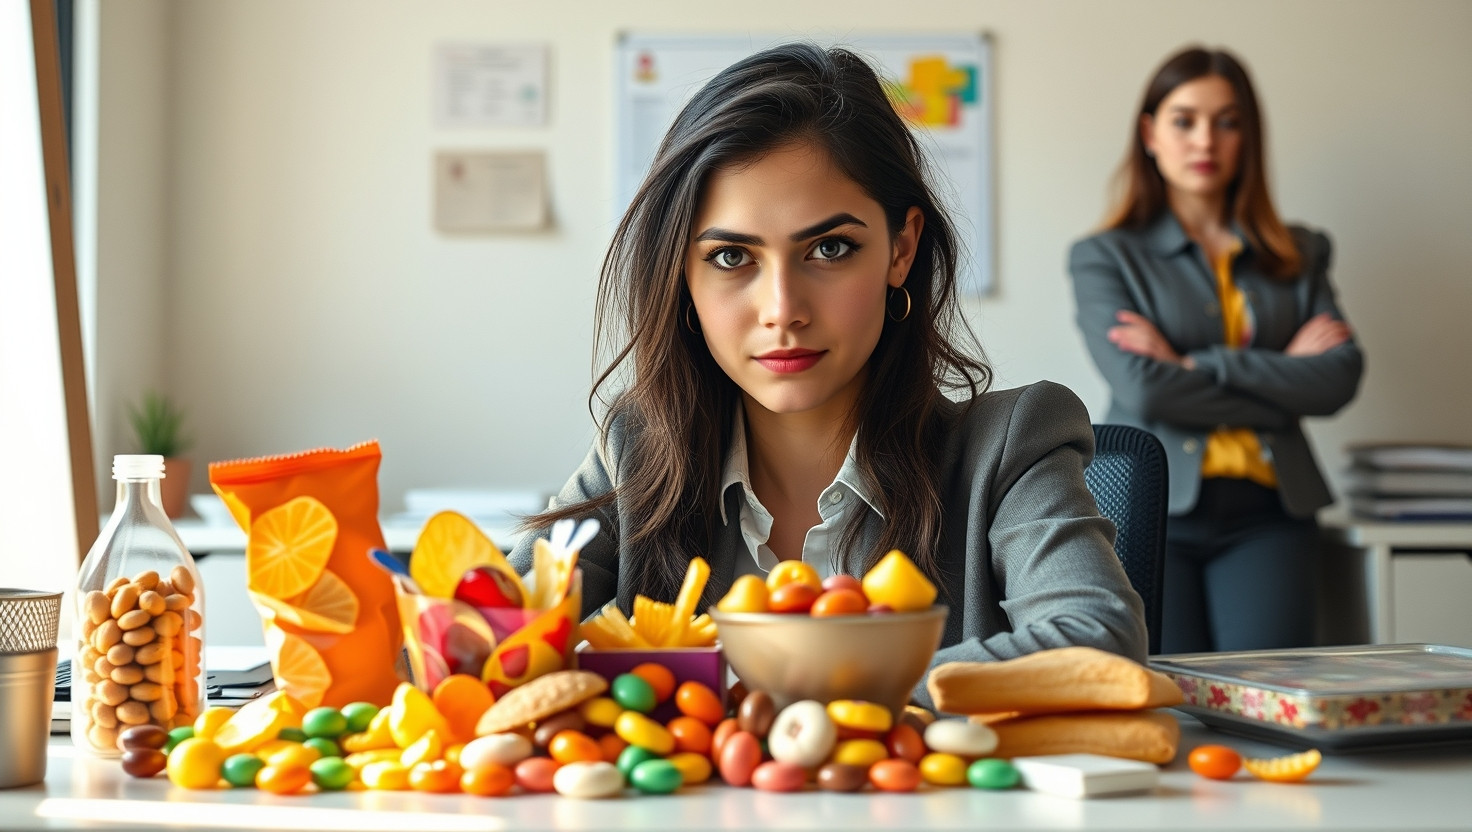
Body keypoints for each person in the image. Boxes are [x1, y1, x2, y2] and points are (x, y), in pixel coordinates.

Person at [510, 43, 1146, 705]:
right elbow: (485, 637)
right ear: (684, 278)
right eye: (732, 257)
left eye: (830, 249)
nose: (783, 311)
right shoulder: (637, 447)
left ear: (900, 250)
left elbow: (1095, 641)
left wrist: (774, 699)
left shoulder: (1009, 446)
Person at [1068, 47, 1364, 654]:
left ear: (1247, 137)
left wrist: (1193, 364)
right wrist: (1284, 377)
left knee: (1272, 694)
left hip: (1271, 514)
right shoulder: (1105, 256)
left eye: (1227, 121)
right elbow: (1145, 386)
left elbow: (1336, 379)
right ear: (1150, 132)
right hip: (1151, 508)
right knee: (1167, 697)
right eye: (1185, 119)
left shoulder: (1301, 253)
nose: (1206, 139)